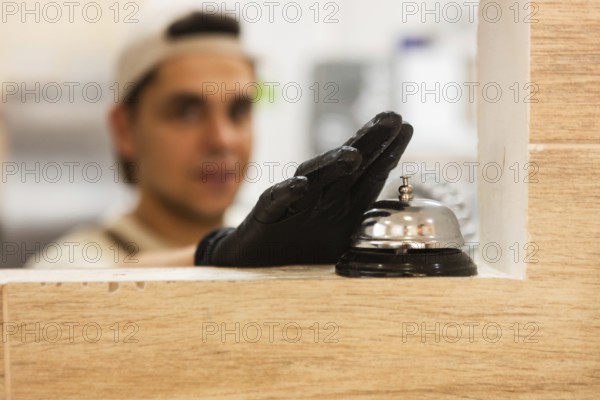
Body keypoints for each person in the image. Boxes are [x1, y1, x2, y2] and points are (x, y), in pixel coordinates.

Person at [26, 11, 412, 269]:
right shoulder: (67, 268)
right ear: (125, 130)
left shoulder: (274, 245)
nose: (222, 139)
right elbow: (97, 292)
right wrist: (218, 255)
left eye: (239, 111)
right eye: (187, 111)